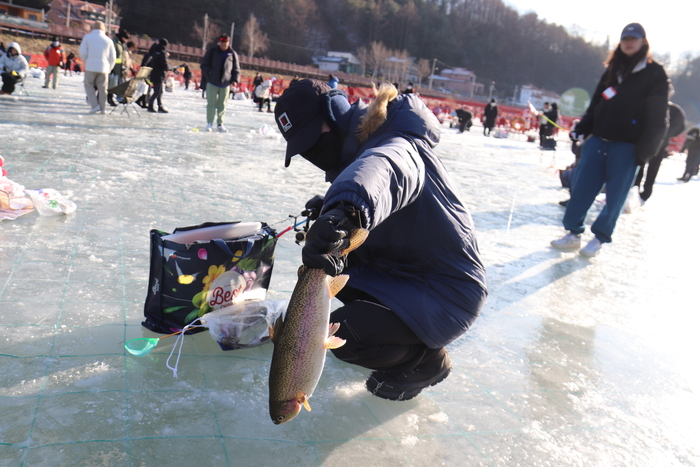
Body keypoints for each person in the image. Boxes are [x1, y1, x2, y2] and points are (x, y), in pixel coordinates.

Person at [273, 79, 487, 401]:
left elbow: (384, 173)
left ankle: (425, 362)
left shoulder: (396, 144)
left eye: (312, 143)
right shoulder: (362, 152)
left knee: (346, 334)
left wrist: (345, 210)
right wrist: (330, 207)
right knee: (336, 275)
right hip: (406, 274)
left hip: (447, 291)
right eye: (302, 150)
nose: (311, 156)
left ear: (334, 117)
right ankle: (401, 337)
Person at [551, 23, 669, 257]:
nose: (629, 42)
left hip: (628, 146)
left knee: (615, 197)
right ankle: (573, 233)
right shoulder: (613, 69)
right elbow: (597, 102)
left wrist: (644, 152)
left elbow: (658, 118)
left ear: (643, 42)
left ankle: (600, 238)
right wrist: (583, 128)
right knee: (582, 187)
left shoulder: (655, 73)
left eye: (634, 38)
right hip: (598, 141)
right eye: (625, 38)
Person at [635, 101, 685, 200]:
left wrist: (666, 134)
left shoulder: (675, 110)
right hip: (645, 141)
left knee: (653, 168)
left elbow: (680, 127)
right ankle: (635, 187)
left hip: (660, 144)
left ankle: (646, 192)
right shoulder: (651, 105)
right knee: (640, 165)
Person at [200, 33, 240, 131]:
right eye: (222, 45)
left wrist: (235, 80)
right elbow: (203, 65)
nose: (223, 47)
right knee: (211, 103)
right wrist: (209, 72)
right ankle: (209, 123)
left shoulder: (232, 54)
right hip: (212, 82)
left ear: (228, 43)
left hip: (225, 84)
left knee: (222, 104)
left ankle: (220, 124)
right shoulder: (212, 51)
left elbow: (236, 69)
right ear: (219, 43)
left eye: (225, 45)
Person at [79, 21, 116, 114]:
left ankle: (95, 106)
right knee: (103, 89)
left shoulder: (87, 38)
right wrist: (109, 68)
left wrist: (87, 61)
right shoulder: (108, 40)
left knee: (88, 85)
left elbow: (83, 52)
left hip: (91, 66)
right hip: (104, 68)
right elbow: (113, 58)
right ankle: (103, 108)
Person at [147, 38, 171, 113]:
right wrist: (171, 68)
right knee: (157, 91)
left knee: (159, 91)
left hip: (154, 74)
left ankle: (159, 106)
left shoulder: (155, 52)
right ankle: (150, 105)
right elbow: (165, 65)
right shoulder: (162, 53)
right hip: (159, 75)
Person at [107, 29, 130, 106]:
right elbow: (112, 56)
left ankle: (114, 97)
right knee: (111, 84)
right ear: (123, 37)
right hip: (114, 67)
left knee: (116, 84)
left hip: (119, 68)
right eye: (126, 39)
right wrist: (112, 67)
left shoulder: (121, 43)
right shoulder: (114, 42)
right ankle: (109, 98)